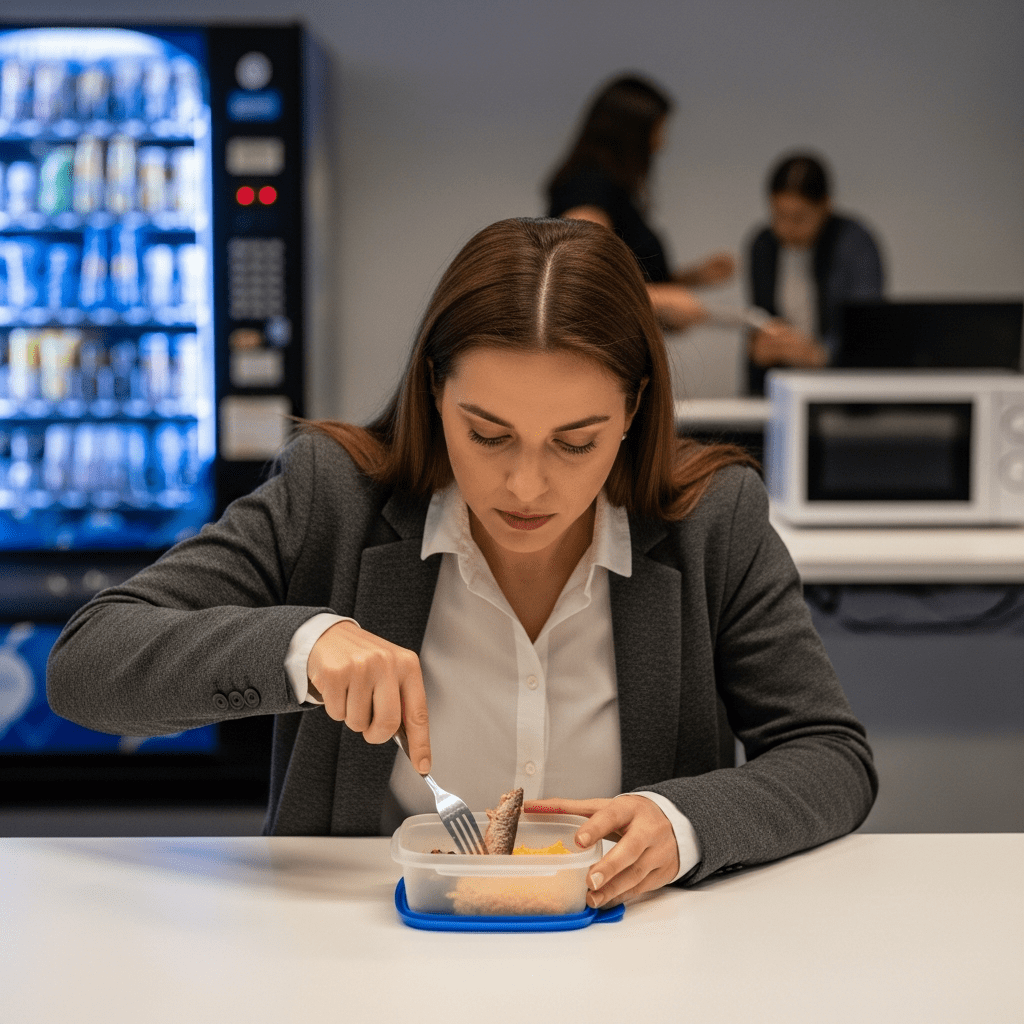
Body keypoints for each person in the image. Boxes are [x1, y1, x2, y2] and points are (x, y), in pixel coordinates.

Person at [47, 218, 876, 907]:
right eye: (487, 433)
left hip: (636, 962)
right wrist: (302, 646)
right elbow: (87, 663)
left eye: (575, 442)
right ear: (434, 393)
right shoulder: (334, 498)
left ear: (634, 412)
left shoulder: (712, 522)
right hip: (357, 963)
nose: (525, 484)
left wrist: (682, 820)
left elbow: (829, 754)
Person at [546, 74, 735, 332]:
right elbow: (582, 281)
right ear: (632, 134)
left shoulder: (611, 189)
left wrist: (689, 279)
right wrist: (661, 299)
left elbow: (629, 277)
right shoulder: (589, 187)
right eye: (657, 131)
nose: (661, 143)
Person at [747, 152, 885, 394]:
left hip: (844, 391)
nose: (786, 228)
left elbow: (866, 326)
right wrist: (760, 346)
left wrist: (819, 354)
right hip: (782, 387)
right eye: (778, 215)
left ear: (825, 206)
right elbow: (759, 315)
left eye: (799, 218)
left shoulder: (853, 243)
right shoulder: (764, 245)